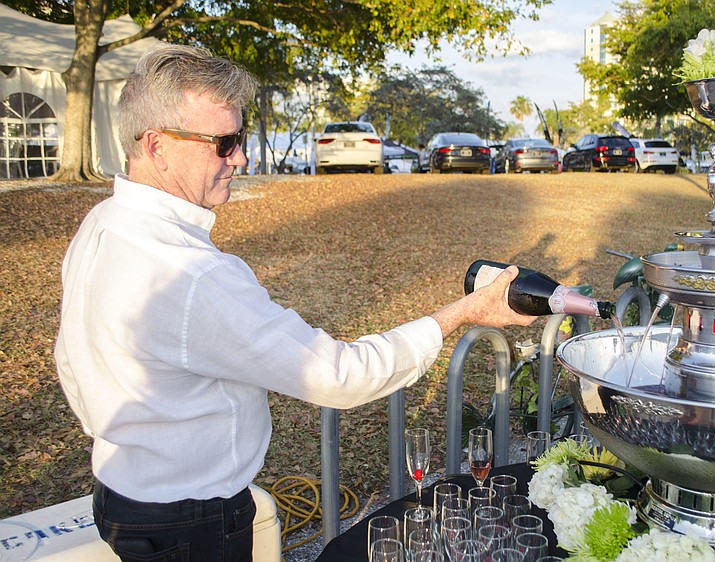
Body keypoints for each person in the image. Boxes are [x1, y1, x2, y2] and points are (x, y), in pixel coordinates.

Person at [53, 44, 535, 562]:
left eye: (240, 138)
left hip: (120, 496)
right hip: (191, 524)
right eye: (223, 143)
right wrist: (463, 312)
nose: (240, 157)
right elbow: (339, 375)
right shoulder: (191, 273)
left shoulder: (104, 222)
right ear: (156, 145)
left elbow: (70, 360)